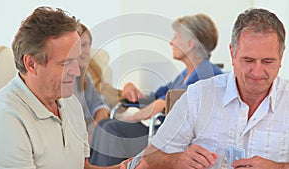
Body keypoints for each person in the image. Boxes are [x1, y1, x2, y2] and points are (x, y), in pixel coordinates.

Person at [135, 8, 289, 169]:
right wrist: (176, 161)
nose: (257, 72)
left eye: (267, 61)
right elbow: (152, 156)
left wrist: (279, 167)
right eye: (248, 60)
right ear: (232, 54)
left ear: (281, 57)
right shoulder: (199, 95)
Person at [0, 6, 137, 169]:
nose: (76, 71)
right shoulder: (5, 119)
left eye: (77, 60)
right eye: (66, 63)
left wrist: (121, 168)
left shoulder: (70, 103)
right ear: (31, 64)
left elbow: (82, 167)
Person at [89, 13, 223, 166]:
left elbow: (162, 104)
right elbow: (154, 97)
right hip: (159, 131)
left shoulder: (206, 75)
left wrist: (132, 118)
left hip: (170, 142)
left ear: (190, 44)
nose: (171, 42)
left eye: (176, 37)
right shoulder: (186, 74)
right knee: (105, 124)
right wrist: (130, 89)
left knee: (112, 130)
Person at [74, 23, 110, 133]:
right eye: (83, 45)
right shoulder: (60, 82)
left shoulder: (84, 77)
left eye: (89, 45)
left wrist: (99, 120)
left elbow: (98, 103)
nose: (88, 51)